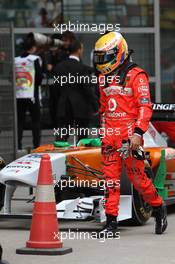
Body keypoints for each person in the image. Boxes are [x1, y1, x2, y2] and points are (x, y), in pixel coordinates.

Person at [93, 31, 168, 236]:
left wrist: (137, 133)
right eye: (99, 58)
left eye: (105, 57)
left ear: (119, 52)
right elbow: (103, 108)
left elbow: (145, 107)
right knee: (110, 181)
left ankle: (159, 206)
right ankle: (111, 223)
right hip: (109, 135)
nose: (102, 62)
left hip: (129, 137)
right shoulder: (102, 79)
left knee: (137, 179)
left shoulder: (137, 75)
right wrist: (102, 131)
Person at [54, 39, 98, 142]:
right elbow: (87, 89)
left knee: (61, 138)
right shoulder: (82, 68)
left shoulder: (59, 67)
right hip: (81, 107)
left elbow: (55, 88)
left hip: (64, 105)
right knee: (82, 139)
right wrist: (95, 106)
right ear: (79, 50)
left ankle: (58, 155)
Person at [15, 36, 43, 149]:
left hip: (18, 95)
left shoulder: (16, 60)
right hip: (32, 94)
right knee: (36, 121)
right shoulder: (35, 59)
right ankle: (36, 145)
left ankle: (18, 145)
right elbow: (39, 77)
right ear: (33, 47)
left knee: (19, 122)